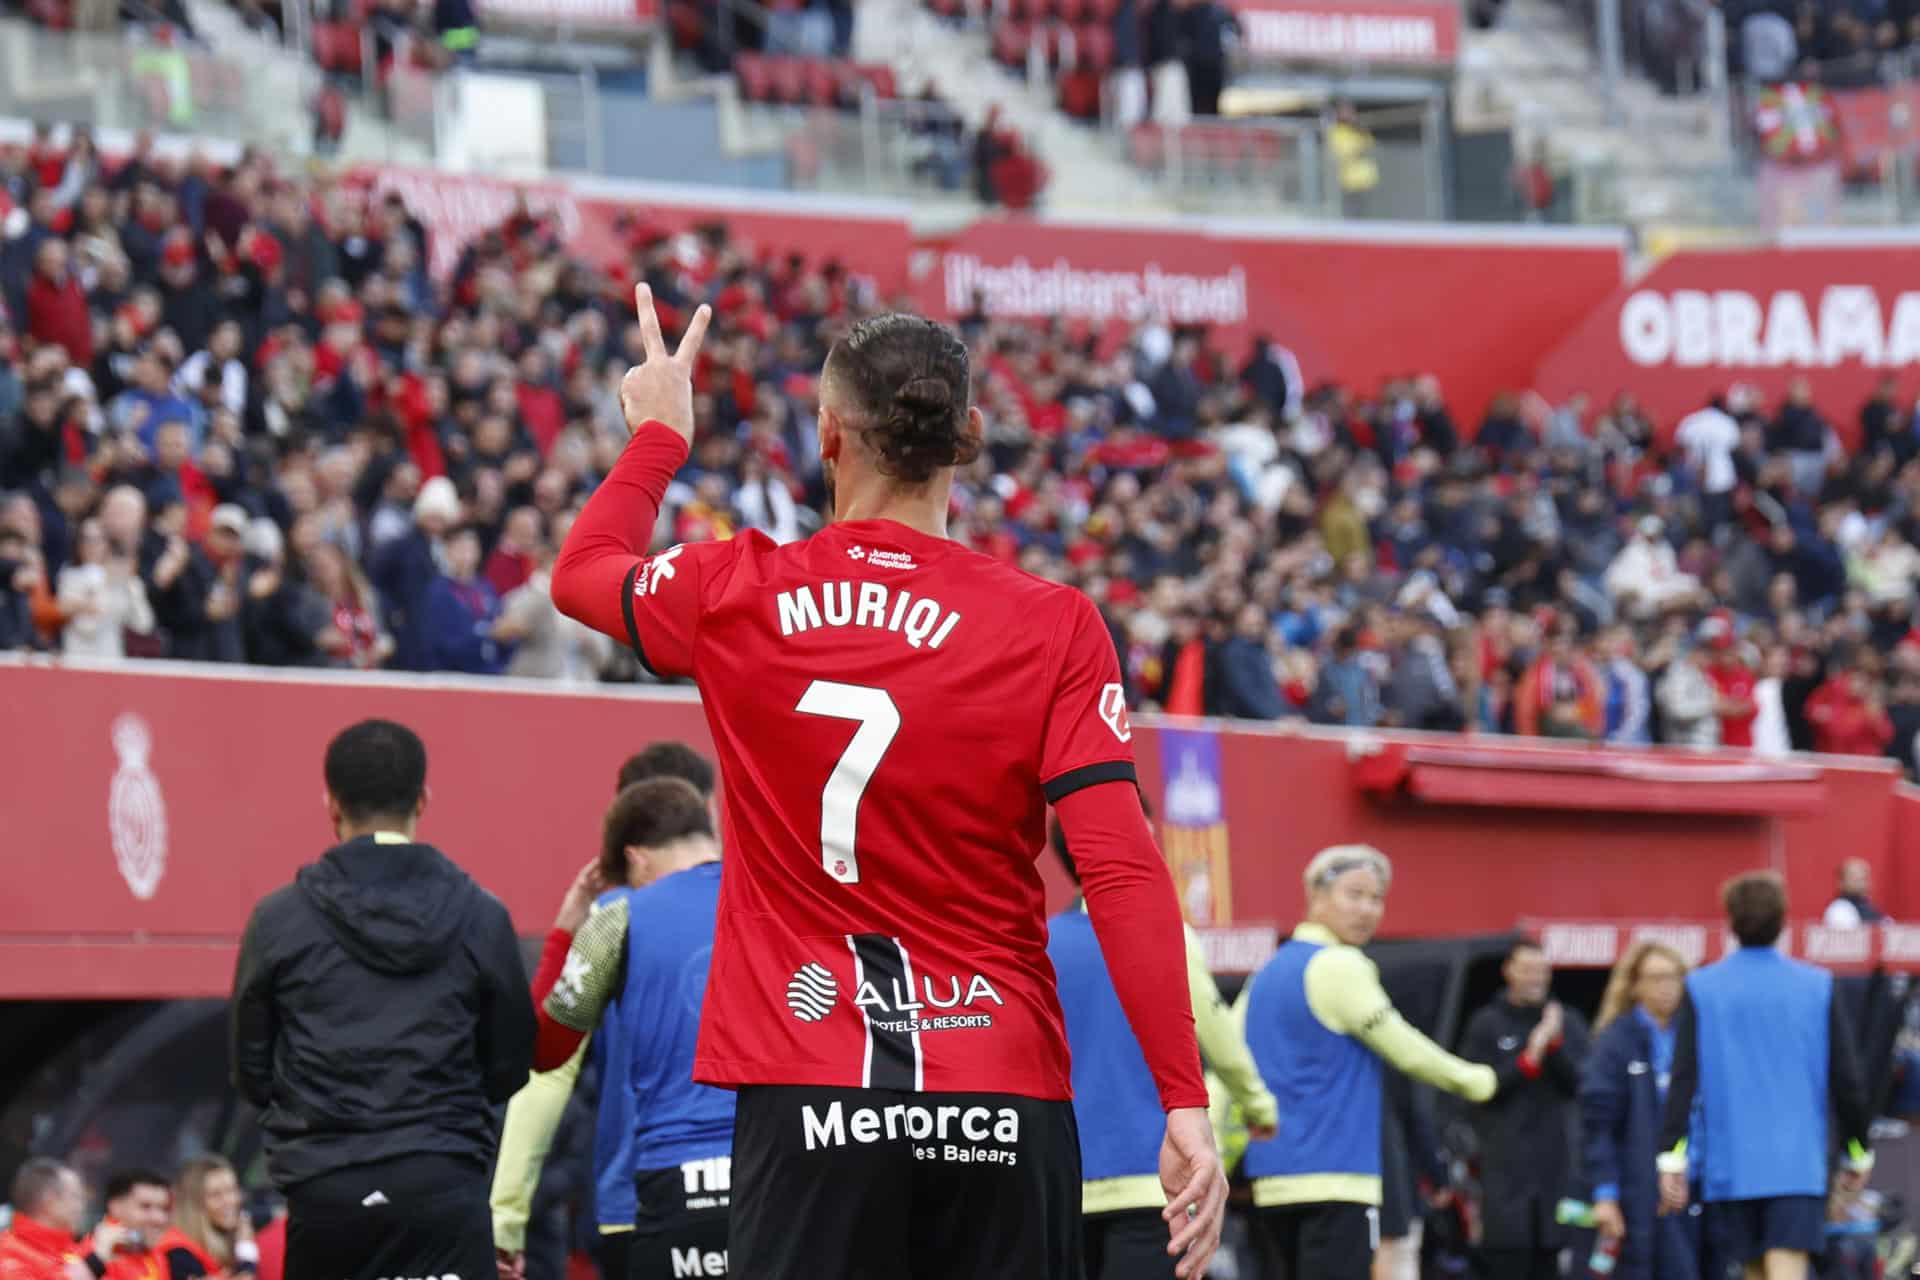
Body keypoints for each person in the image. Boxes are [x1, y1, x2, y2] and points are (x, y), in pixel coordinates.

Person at [551, 295, 1224, 1279]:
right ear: (970, 434)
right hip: (999, 1084)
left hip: (808, 1083)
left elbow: (580, 572)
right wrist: (1183, 1098)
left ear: (827, 432)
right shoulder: (1053, 624)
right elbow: (1120, 869)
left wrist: (660, 435)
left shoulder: (736, 588)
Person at [229, 719, 536, 1280]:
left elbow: (251, 1071)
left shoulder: (277, 920)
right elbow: (511, 1063)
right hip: (443, 1180)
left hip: (326, 1190)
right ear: (423, 799)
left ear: (331, 804)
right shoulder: (482, 915)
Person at [491, 744, 719, 1280]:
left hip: (648, 1192)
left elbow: (543, 1058)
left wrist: (563, 934)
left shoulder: (616, 916)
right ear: (708, 813)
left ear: (634, 856)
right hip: (769, 1182)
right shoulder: (772, 903)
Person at [1238, 845, 1497, 1280]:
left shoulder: (1264, 973)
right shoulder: (1341, 964)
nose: (1367, 910)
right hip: (1339, 1178)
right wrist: (1475, 1079)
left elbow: (1230, 1061)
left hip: (1272, 1179)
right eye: (1354, 894)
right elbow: (1405, 1049)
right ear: (1316, 896)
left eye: (1376, 898)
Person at [1047, 805, 1279, 1280]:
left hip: (1059, 1185)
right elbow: (1221, 1042)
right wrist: (1260, 1108)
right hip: (1155, 1183)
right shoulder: (1166, 931)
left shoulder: (1039, 943)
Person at [1658, 872, 1874, 1280]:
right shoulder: (1817, 985)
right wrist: (1859, 1150)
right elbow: (1847, 1081)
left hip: (1731, 1165)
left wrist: (1671, 1157)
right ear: (1782, 920)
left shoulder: (1702, 987)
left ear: (1731, 920)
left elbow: (1683, 1080)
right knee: (1787, 1266)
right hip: (1797, 1165)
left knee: (1756, 1271)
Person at [1461, 941, 1592, 1280]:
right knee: (1507, 1262)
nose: (1536, 978)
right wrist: (1529, 1058)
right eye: (1528, 970)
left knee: (1555, 1260)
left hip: (1557, 1175)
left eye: (1542, 971)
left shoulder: (1568, 1021)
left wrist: (1554, 1044)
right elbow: (1475, 1089)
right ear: (1509, 971)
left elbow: (1584, 1086)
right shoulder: (1486, 1023)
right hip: (1504, 1176)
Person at [1581, 941, 1700, 1280]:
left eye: (1674, 977)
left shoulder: (1697, 1036)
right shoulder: (1616, 1042)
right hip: (1638, 1195)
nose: (1666, 987)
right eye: (1656, 978)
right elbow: (1597, 1125)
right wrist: (1605, 1193)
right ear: (1634, 986)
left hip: (1696, 1191)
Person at [155, 1157, 255, 1280]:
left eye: (232, 1190)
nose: (230, 1200)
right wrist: (247, 1256)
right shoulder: (177, 1254)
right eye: (216, 1195)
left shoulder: (225, 1241)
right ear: (193, 1204)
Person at [0, 1159, 90, 1280]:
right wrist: (95, 1264)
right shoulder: (9, 1257)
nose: (81, 1206)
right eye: (75, 1196)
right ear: (49, 1201)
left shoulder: (76, 1249)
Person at [95, 1168, 171, 1280]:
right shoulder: (95, 1257)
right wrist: (96, 1261)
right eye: (145, 1206)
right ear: (116, 1207)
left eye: (164, 1209)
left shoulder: (157, 1256)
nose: (160, 1218)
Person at [1823, 857, 1886, 928]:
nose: (1861, 883)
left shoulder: (1872, 909)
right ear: (1841, 882)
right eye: (1854, 878)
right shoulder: (1839, 910)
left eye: (1864, 878)